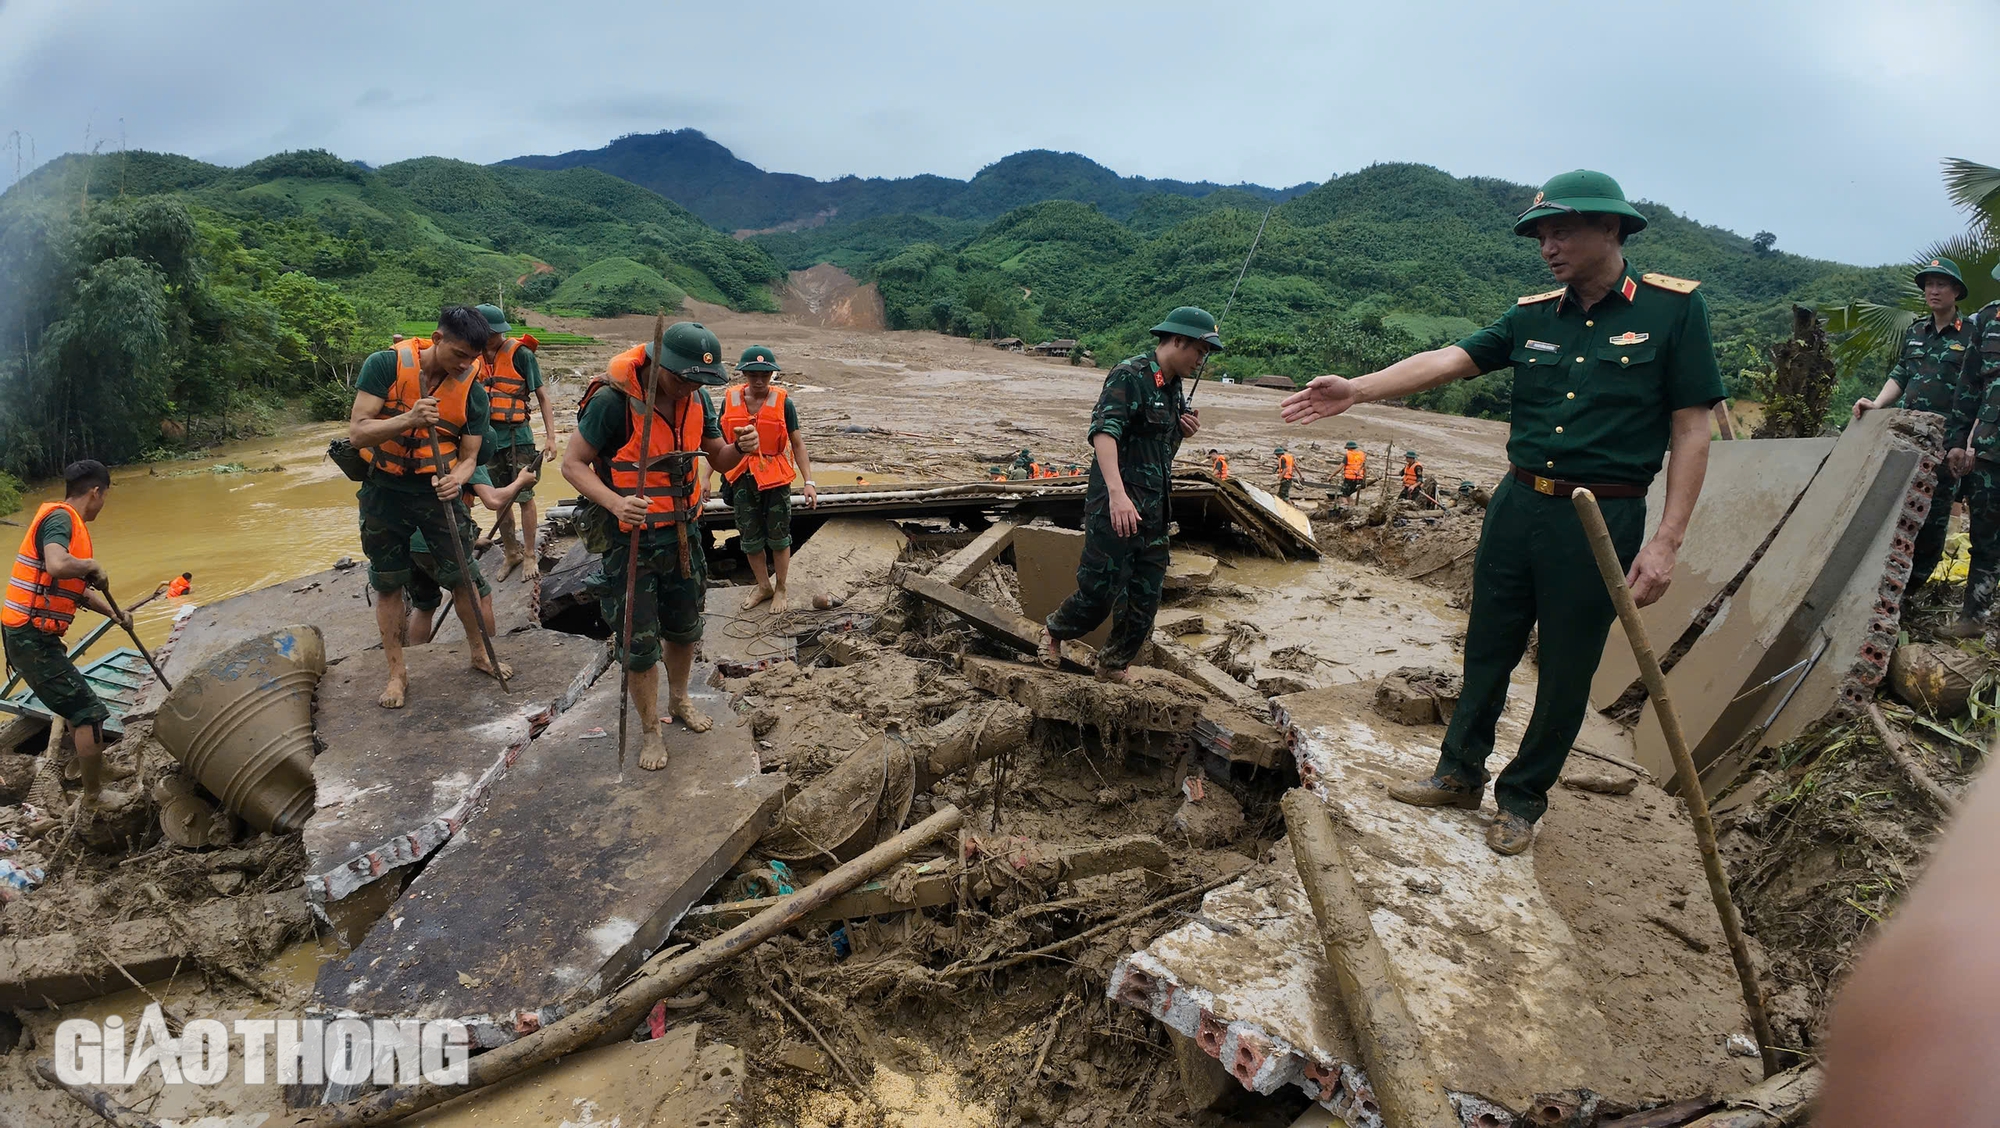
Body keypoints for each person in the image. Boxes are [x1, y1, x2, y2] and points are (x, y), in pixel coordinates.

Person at [1281, 169, 1723, 855]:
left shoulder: (1672, 312)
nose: (1548, 245)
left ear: (1612, 229)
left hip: (1602, 519)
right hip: (1518, 504)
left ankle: (1522, 800)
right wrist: (1357, 389)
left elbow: (1693, 431)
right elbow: (1448, 359)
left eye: (1563, 230)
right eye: (1540, 233)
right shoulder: (1532, 315)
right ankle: (1458, 773)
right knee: (1487, 647)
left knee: (1568, 668)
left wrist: (1666, 540)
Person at [561, 322, 760, 772]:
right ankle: (651, 727)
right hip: (632, 540)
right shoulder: (612, 402)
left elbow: (719, 458)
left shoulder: (697, 398)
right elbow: (572, 464)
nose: (692, 386)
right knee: (638, 642)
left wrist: (741, 447)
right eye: (684, 377)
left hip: (685, 534)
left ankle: (681, 699)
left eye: (701, 380)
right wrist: (616, 502)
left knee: (685, 627)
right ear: (658, 363)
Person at [1040, 307, 1212, 682]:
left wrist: (1181, 432)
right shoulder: (1129, 375)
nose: (1201, 360)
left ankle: (1112, 664)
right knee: (1098, 594)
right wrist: (1117, 496)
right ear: (1177, 340)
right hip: (1115, 506)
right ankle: (1053, 632)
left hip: (1154, 513)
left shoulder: (1174, 387)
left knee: (1144, 602)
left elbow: (1158, 452)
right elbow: (1104, 433)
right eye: (1199, 350)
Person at [348, 305, 508, 709]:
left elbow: (471, 454)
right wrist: (409, 419)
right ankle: (397, 675)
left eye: (472, 358)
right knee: (388, 583)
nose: (465, 364)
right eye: (458, 355)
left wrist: (459, 476)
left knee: (464, 577)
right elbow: (358, 433)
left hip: (438, 495)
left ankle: (480, 654)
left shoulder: (471, 387)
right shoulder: (384, 365)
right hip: (384, 491)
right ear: (437, 340)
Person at [1854, 258, 1976, 619]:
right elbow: (1902, 373)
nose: (1933, 291)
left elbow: (1982, 389)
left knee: (1933, 516)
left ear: (1956, 292)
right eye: (1929, 284)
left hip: (1947, 441)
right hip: (1909, 438)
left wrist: (1968, 441)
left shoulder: (1971, 334)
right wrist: (1875, 403)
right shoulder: (1916, 332)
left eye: (1941, 285)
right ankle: (1885, 584)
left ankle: (1909, 593)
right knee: (1897, 510)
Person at [2, 461, 130, 803]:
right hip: (30, 638)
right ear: (96, 491)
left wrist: (117, 614)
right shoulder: (60, 520)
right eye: (105, 496)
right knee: (88, 712)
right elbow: (57, 566)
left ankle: (97, 771)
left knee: (77, 706)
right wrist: (91, 565)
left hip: (35, 637)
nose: (103, 504)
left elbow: (75, 590)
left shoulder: (68, 523)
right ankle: (94, 796)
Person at [722, 345, 818, 615]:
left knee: (779, 537)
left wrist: (809, 482)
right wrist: (705, 478)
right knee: (750, 537)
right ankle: (763, 586)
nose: (759, 380)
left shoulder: (784, 403)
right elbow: (718, 443)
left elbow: (797, 443)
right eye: (753, 374)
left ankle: (782, 587)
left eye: (765, 374)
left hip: (775, 479)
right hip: (741, 477)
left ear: (772, 375)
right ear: (744, 374)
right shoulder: (729, 400)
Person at [407, 462, 538, 644]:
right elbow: (493, 501)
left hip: (409, 541)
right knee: (482, 597)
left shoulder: (421, 456)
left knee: (424, 606)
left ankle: (416, 662)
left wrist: (473, 541)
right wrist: (520, 482)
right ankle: (488, 651)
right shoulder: (466, 459)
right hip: (441, 541)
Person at [471, 304, 557, 582]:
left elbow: (542, 397)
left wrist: (551, 437)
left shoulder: (521, 355)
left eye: (497, 333)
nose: (493, 338)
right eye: (490, 333)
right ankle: (511, 553)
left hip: (518, 437)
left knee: (524, 496)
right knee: (500, 499)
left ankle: (530, 553)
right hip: (486, 438)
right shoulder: (471, 355)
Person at [1940, 265, 2000, 637]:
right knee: (1985, 535)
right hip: (1989, 449)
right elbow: (1969, 384)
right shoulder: (1988, 318)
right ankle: (1974, 618)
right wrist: (1957, 441)